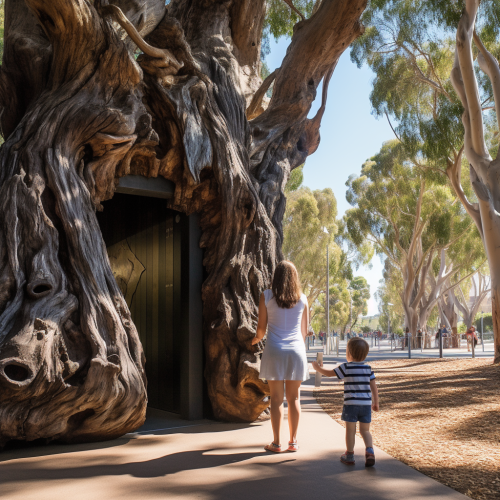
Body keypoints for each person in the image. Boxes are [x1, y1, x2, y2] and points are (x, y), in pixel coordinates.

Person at [252, 261, 310, 453]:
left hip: (274, 351)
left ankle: (276, 443)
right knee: (294, 398)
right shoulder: (302, 299)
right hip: (296, 351)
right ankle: (293, 442)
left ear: (275, 276)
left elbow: (261, 331)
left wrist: (253, 340)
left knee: (276, 399)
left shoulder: (266, 296)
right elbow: (304, 332)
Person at [312, 337, 379, 467]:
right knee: (365, 430)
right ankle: (370, 451)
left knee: (350, 430)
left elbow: (330, 373)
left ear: (349, 353)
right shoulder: (368, 369)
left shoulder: (346, 367)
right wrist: (375, 402)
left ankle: (349, 455)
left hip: (351, 405)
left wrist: (318, 368)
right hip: (366, 405)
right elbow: (374, 387)